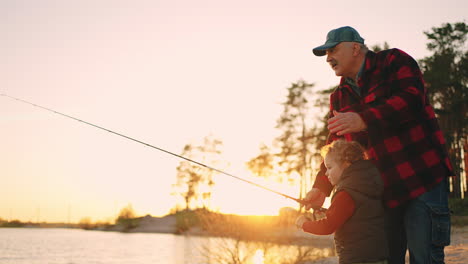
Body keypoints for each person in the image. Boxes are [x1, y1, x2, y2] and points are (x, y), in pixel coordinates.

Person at [304, 26, 453, 264]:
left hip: (423, 179)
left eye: (333, 50)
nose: (328, 58)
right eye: (325, 54)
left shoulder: (394, 61)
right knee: (387, 259)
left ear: (355, 48)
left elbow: (411, 99)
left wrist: (364, 120)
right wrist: (321, 187)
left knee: (425, 257)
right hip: (383, 193)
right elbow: (336, 145)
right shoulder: (339, 97)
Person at [296, 139, 388, 264]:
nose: (326, 173)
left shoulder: (346, 193)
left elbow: (328, 226)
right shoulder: (368, 184)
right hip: (377, 257)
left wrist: (303, 224)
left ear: (346, 164)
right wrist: (328, 211)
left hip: (356, 259)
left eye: (329, 167)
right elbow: (357, 215)